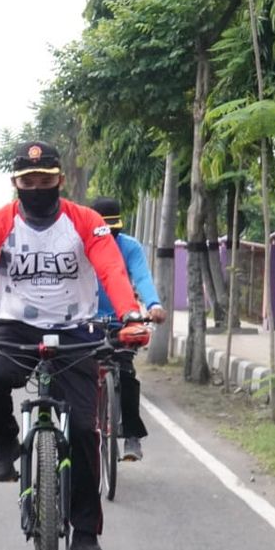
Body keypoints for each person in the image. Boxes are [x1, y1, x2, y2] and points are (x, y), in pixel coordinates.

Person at [0, 142, 149, 550]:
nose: (36, 188)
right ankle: (3, 443)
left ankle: (86, 532)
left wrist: (130, 315)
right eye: (27, 182)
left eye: (45, 180)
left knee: (86, 432)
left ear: (60, 181)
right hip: (16, 324)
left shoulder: (86, 222)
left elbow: (111, 269)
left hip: (76, 328)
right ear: (16, 185)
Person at [90, 196, 167, 462]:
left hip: (121, 321)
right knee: (70, 376)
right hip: (83, 322)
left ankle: (131, 434)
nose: (109, 238)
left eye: (114, 232)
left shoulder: (130, 247)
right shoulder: (77, 247)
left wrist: (153, 304)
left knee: (125, 374)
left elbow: (142, 277)